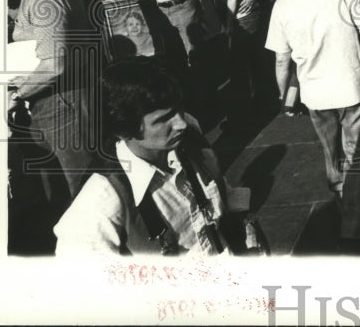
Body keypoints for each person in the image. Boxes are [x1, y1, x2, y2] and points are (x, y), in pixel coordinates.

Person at [54, 59, 247, 255]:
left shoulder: (189, 136)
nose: (181, 123)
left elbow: (221, 191)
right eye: (164, 119)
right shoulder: (98, 204)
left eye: (179, 109)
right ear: (124, 128)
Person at [265, 0, 360, 249]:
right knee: (357, 155)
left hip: (315, 94)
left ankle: (339, 193)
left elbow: (281, 58)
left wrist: (285, 96)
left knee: (331, 151)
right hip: (353, 87)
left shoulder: (284, 1)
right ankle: (353, 227)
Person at [7, 0, 101, 207]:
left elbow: (53, 65)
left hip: (62, 98)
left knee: (84, 182)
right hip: (66, 93)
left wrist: (16, 96)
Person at [217, 0, 274, 114]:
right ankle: (265, 99)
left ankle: (245, 110)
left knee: (239, 66)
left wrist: (228, 23)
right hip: (255, 10)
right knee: (258, 59)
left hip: (241, 16)